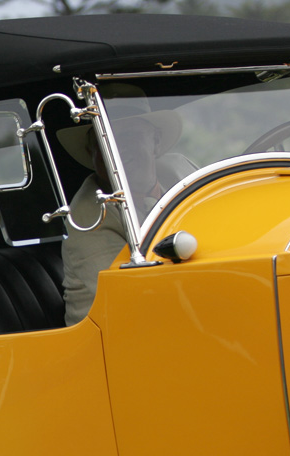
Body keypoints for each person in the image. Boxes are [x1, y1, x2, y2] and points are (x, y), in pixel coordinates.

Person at [57, 84, 195, 325]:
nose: (118, 150)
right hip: (114, 341)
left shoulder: (181, 172)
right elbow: (138, 298)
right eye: (105, 139)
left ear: (156, 142)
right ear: (91, 151)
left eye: (130, 136)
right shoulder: (88, 217)